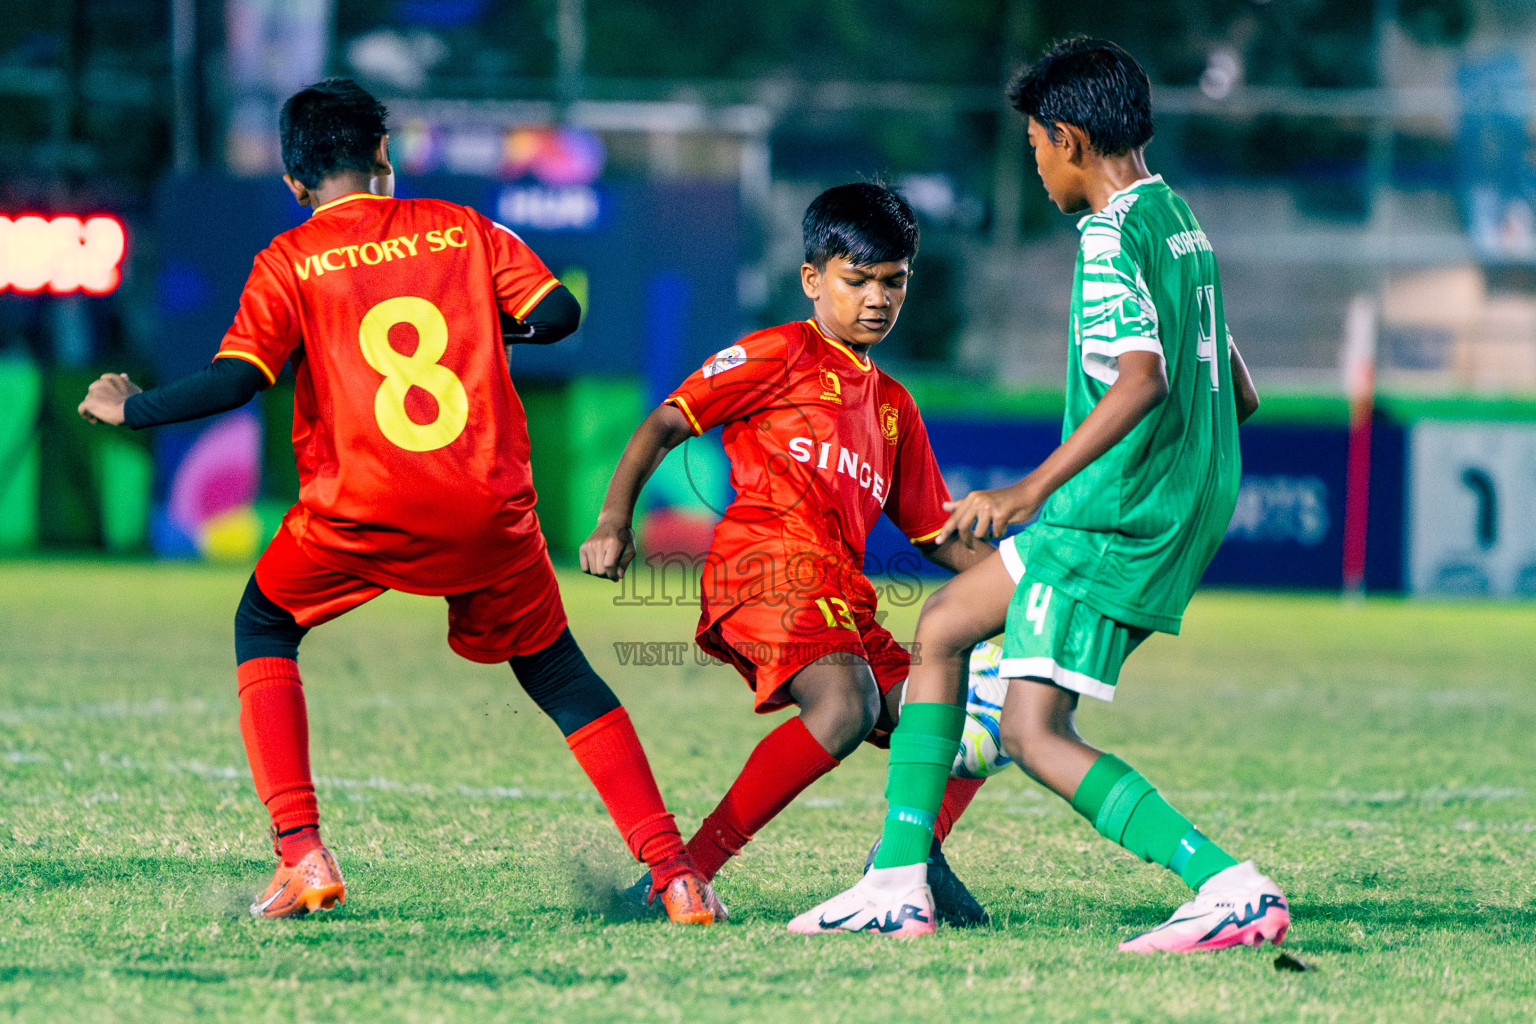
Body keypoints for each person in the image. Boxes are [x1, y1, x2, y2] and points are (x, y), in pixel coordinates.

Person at [77, 78, 714, 925]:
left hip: (361, 510)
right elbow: (558, 314)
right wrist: (485, 330)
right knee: (561, 674)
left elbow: (236, 382)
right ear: (384, 155)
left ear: (294, 181)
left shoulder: (290, 259)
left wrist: (131, 408)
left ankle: (302, 853)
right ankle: (675, 874)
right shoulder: (463, 227)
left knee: (264, 626)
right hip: (488, 508)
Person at [790, 38, 1289, 952]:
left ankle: (1228, 886)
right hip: (1161, 504)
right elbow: (1237, 391)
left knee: (1030, 727)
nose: (1035, 164)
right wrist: (1176, 474)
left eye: (1034, 146)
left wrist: (1028, 490)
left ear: (1068, 138)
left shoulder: (1106, 239)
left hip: (1113, 515)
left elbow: (1141, 378)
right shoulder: (1179, 219)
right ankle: (898, 884)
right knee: (942, 626)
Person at [580, 183, 994, 924]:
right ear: (812, 279)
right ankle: (680, 877)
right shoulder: (780, 353)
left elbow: (938, 535)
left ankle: (912, 858)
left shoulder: (895, 407)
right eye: (857, 279)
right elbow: (665, 423)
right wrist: (614, 520)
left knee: (958, 725)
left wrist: (1033, 581)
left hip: (840, 597)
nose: (877, 299)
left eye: (893, 281)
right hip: (762, 570)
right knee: (845, 703)